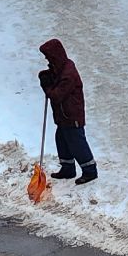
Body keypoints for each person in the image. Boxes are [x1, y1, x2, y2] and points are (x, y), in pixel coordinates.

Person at [38, 39, 96, 184]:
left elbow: (57, 95)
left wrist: (47, 87)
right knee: (61, 140)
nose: (46, 59)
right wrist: (46, 75)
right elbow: (54, 77)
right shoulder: (60, 68)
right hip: (63, 115)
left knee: (77, 142)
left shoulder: (68, 74)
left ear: (55, 55)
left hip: (72, 115)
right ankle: (68, 169)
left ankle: (90, 171)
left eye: (48, 56)